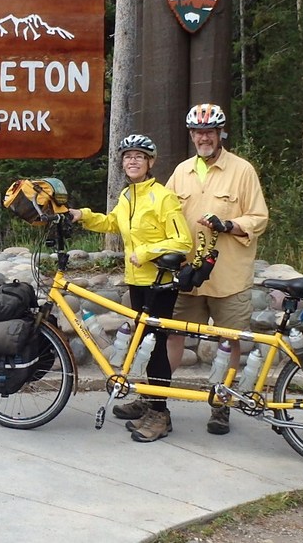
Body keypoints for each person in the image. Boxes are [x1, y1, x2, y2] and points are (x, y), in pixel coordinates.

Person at [68, 134, 192, 443]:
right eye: (127, 156)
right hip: (137, 282)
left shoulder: (162, 197)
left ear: (151, 162)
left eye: (139, 156)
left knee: (156, 346)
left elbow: (183, 241)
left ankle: (161, 415)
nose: (132, 160)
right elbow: (112, 223)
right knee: (145, 344)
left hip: (160, 283)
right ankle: (151, 401)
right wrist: (81, 215)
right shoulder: (127, 197)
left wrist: (148, 252)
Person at [165, 103, 269, 435]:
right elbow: (163, 214)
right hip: (190, 274)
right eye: (197, 132)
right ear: (191, 135)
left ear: (220, 133)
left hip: (229, 275)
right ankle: (157, 400)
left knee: (229, 341)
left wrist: (229, 224)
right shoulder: (181, 171)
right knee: (173, 334)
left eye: (209, 131)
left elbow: (259, 218)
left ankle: (221, 405)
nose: (203, 137)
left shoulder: (242, 170)